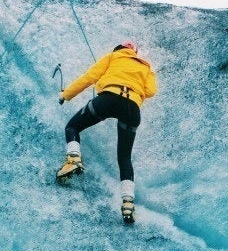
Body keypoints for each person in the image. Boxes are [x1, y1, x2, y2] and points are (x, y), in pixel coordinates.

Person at [56, 41, 157, 223]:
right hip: (132, 109)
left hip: (108, 100)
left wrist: (66, 95)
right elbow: (151, 91)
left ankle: (73, 159)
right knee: (124, 158)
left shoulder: (113, 56)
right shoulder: (146, 68)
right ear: (134, 53)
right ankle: (128, 204)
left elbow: (89, 77)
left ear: (118, 49)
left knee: (73, 127)